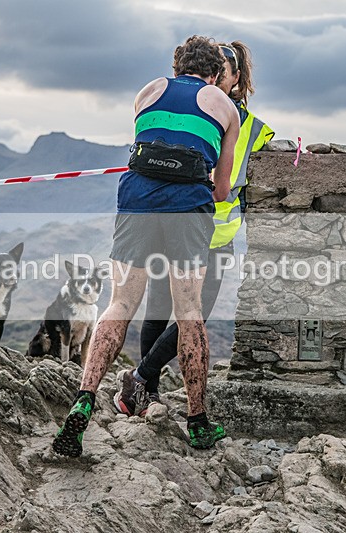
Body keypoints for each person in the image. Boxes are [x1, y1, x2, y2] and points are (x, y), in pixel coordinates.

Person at [51, 35, 240, 456]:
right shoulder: (224, 106)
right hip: (187, 209)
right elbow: (223, 189)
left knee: (119, 305)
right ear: (214, 74)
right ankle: (198, 422)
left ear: (176, 69)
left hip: (136, 202)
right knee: (189, 314)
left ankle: (82, 402)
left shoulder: (148, 91)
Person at [113, 41, 274, 417]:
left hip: (215, 235)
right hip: (175, 224)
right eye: (215, 65)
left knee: (193, 316)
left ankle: (140, 376)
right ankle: (145, 394)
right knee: (158, 310)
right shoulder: (189, 110)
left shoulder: (255, 129)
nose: (217, 72)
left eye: (226, 66)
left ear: (235, 79)